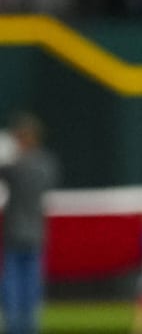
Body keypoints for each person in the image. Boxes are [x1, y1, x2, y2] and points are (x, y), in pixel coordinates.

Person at [0, 114, 59, 334]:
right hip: (35, 232)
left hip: (17, 233)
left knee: (15, 286)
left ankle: (16, 328)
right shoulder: (46, 164)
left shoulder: (18, 165)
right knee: (30, 287)